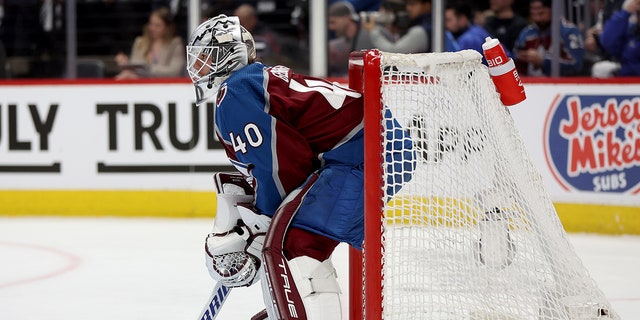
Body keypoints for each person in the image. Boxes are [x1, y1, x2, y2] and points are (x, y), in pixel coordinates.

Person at [185, 15, 414, 319]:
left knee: (295, 242)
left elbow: (280, 165)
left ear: (230, 55)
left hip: (363, 152)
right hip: (370, 146)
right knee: (294, 239)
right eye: (197, 58)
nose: (197, 66)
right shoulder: (251, 84)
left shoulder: (236, 92)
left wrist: (267, 219)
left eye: (206, 57)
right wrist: (262, 220)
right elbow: (278, 164)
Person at [513, 0, 585, 76]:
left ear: (552, 9)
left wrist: (543, 62)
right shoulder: (527, 33)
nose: (537, 17)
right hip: (530, 83)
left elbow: (577, 65)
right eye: (533, 12)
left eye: (541, 12)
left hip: (562, 84)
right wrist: (521, 57)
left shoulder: (569, 31)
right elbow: (514, 59)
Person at [114, 6, 185, 79]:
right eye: (151, 24)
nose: (152, 28)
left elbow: (175, 71)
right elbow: (136, 67)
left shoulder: (175, 43)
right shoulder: (140, 42)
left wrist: (148, 69)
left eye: (157, 25)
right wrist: (126, 64)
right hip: (142, 85)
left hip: (166, 86)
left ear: (167, 28)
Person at [327, 1, 375, 76]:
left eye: (333, 22)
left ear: (346, 18)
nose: (331, 27)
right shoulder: (343, 42)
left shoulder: (370, 37)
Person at [598, 0, 640, 76]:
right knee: (600, 69)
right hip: (628, 80)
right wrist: (625, 13)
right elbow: (608, 42)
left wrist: (627, 69)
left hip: (631, 75)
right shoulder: (632, 32)